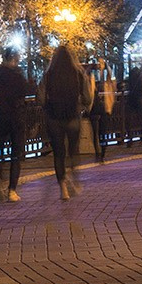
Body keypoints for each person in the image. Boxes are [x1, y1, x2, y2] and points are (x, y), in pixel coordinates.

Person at [40, 43, 91, 200]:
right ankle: (75, 178)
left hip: (54, 117)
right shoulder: (78, 73)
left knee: (59, 154)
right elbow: (88, 98)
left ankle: (63, 188)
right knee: (73, 150)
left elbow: (41, 97)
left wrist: (48, 107)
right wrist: (80, 106)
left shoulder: (49, 74)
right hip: (72, 116)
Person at [0, 50, 33, 202]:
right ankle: (12, 190)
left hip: (0, 116)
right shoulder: (18, 74)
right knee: (16, 155)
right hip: (17, 117)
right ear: (15, 58)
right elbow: (26, 93)